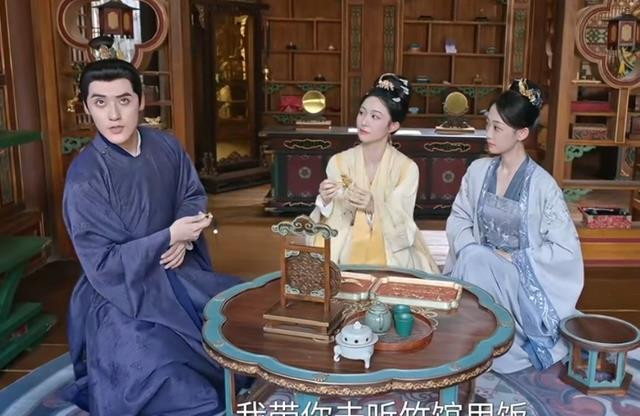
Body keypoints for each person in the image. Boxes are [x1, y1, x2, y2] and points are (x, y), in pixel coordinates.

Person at [62, 58, 245, 415]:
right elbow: (102, 262)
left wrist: (182, 237)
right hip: (119, 291)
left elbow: (191, 194)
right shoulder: (85, 177)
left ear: (141, 101)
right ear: (86, 108)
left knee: (243, 318)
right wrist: (167, 236)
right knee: (170, 380)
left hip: (178, 269)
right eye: (100, 102)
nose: (114, 115)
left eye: (124, 100)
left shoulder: (166, 146)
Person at [444, 79, 584, 373]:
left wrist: (517, 258)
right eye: (488, 124)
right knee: (474, 257)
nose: (488, 134)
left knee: (476, 260)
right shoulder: (478, 171)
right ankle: (473, 342)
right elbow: (459, 217)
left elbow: (565, 251)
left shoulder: (543, 186)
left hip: (519, 278)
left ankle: (490, 343)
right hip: (477, 266)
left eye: (497, 128)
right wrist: (470, 249)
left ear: (521, 133)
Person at [310, 73, 438, 273]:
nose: (364, 122)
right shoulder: (339, 161)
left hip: (390, 247)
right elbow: (335, 220)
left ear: (393, 126)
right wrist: (326, 201)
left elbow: (401, 223)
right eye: (362, 113)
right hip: (344, 242)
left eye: (375, 116)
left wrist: (373, 207)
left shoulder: (406, 169)